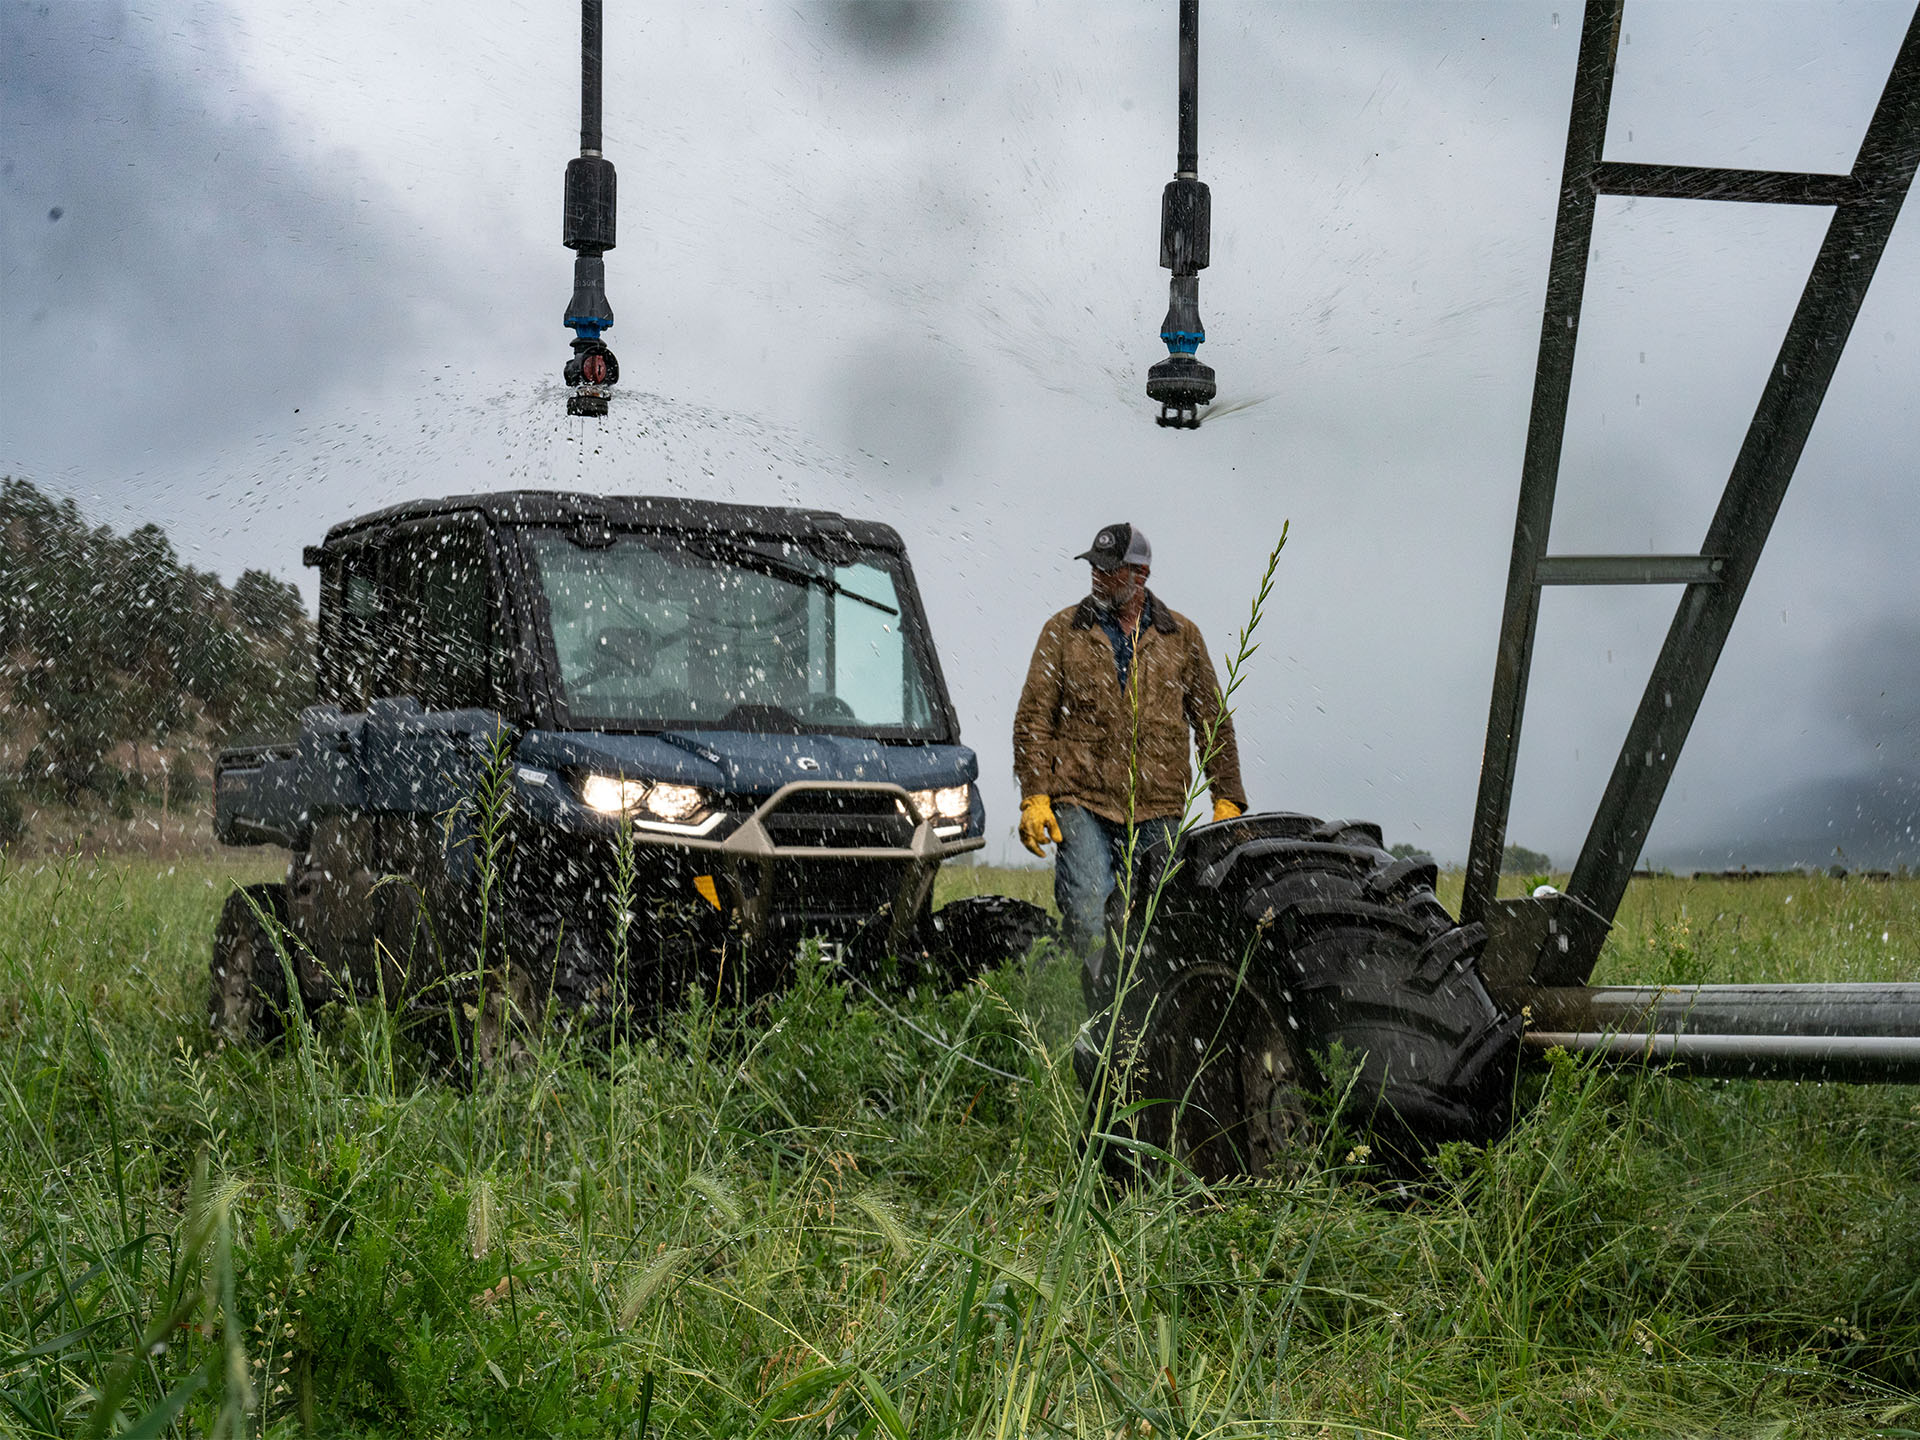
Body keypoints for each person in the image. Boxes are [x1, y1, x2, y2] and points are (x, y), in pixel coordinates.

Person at [1012, 522, 1248, 998]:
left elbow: (1212, 722)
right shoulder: (1063, 631)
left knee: (1156, 920)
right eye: (1094, 568)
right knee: (1087, 907)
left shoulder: (1181, 637)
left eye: (1110, 571)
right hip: (1081, 800)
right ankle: (1102, 1011)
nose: (1098, 578)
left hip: (1159, 806)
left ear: (1140, 575)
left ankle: (1147, 1011)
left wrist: (1228, 800)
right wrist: (1035, 796)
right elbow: (1033, 718)